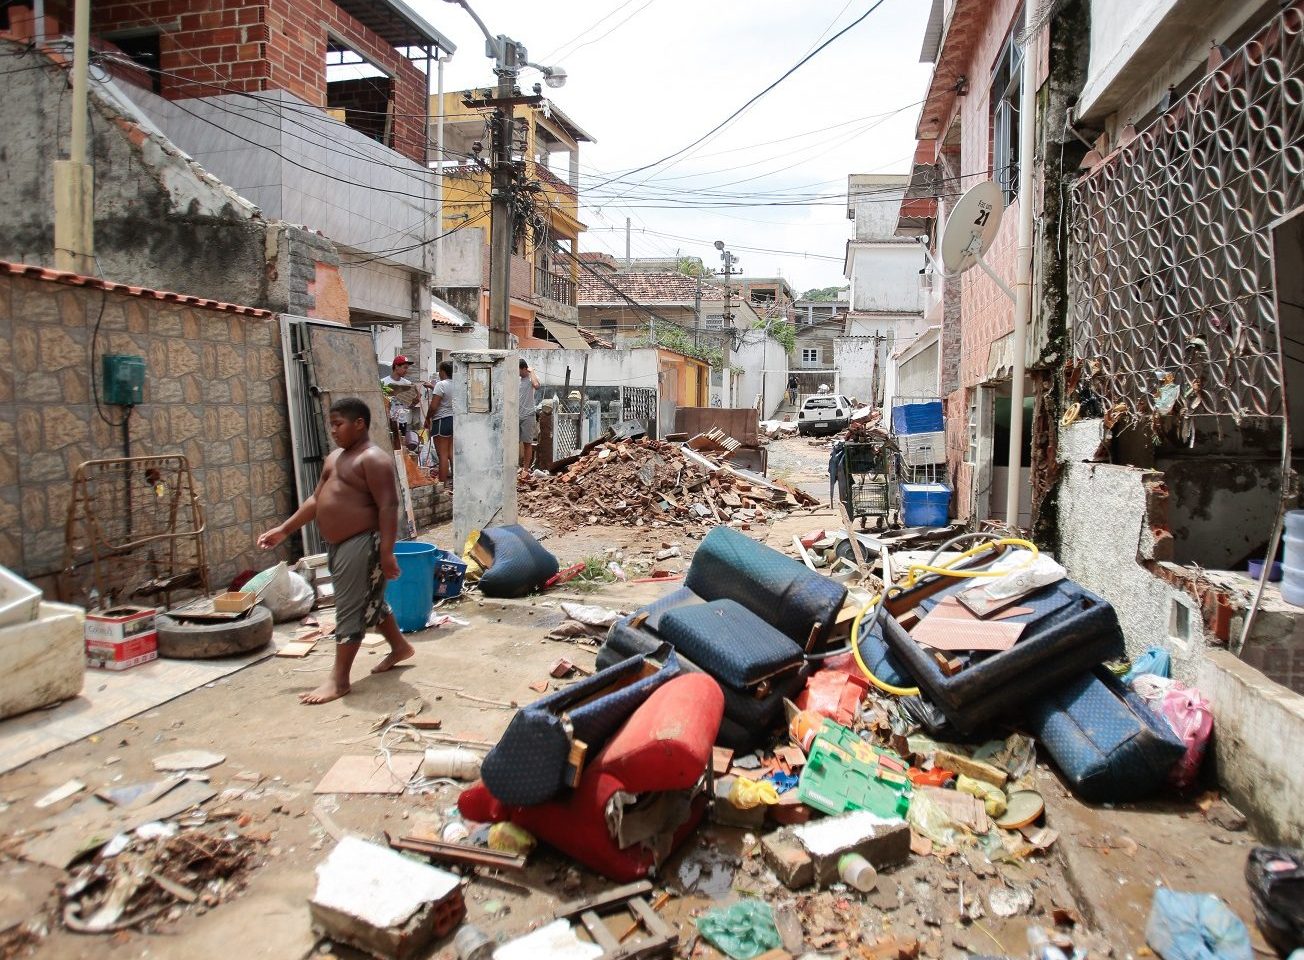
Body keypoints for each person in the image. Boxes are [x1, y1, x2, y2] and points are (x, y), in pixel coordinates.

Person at [257, 397, 414, 705]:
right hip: (339, 545)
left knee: (349, 608)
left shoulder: (373, 459)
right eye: (331, 424)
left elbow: (388, 506)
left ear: (360, 424)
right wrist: (284, 529)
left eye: (338, 424)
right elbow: (316, 500)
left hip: (363, 542)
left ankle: (339, 680)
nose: (332, 430)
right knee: (368, 600)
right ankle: (400, 647)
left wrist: (386, 552)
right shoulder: (335, 459)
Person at [381, 356, 422, 449]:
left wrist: (415, 401)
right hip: (388, 421)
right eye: (405, 368)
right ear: (396, 367)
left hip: (402, 420)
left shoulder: (408, 384)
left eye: (407, 368)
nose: (406, 371)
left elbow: (410, 405)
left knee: (400, 446)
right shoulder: (383, 383)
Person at [426, 360, 455, 485]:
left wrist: (427, 418)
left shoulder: (441, 384)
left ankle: (442, 485)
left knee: (442, 455)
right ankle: (456, 483)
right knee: (451, 453)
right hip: (453, 420)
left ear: (443, 372)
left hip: (441, 420)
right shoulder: (457, 384)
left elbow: (433, 406)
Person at [518, 358, 540, 471]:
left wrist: (532, 371)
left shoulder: (531, 378)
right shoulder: (517, 380)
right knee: (512, 443)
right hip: (516, 416)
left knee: (527, 443)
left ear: (523, 368)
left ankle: (525, 469)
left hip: (528, 416)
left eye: (518, 370)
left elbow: (536, 385)